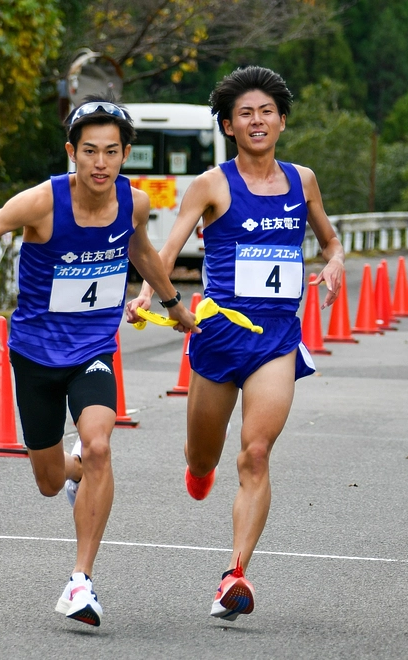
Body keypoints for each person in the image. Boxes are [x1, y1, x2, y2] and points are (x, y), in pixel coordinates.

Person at [0, 98, 198, 626]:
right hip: (35, 354)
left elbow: (141, 251)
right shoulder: (41, 203)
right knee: (46, 478)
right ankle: (72, 471)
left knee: (101, 443)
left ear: (126, 154)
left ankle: (80, 581)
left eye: (112, 151)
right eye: (89, 152)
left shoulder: (134, 201)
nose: (101, 163)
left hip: (93, 350)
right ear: (72, 153)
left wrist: (172, 303)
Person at [126, 66, 344, 620]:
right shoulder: (212, 185)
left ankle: (236, 575)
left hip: (275, 339)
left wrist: (336, 262)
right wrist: (155, 295)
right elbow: (167, 248)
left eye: (266, 111)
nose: (257, 120)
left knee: (256, 452)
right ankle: (199, 470)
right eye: (245, 113)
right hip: (218, 337)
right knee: (204, 456)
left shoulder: (304, 180)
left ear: (282, 121)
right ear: (228, 125)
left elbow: (328, 239)